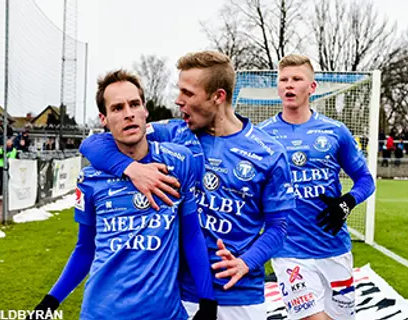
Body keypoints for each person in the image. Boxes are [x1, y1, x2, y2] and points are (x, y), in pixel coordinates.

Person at [78, 51, 294, 320]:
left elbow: (279, 227)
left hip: (241, 296)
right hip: (183, 295)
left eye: (188, 93)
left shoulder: (269, 152)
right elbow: (93, 143)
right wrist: (131, 169)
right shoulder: (174, 132)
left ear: (218, 96)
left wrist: (245, 262)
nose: (179, 101)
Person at [30, 70, 216, 319]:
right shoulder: (90, 179)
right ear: (103, 119)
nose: (128, 113)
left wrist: (208, 302)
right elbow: (85, 248)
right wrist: (50, 302)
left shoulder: (178, 163)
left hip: (167, 314)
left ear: (145, 111)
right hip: (102, 313)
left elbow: (192, 235)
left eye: (134, 104)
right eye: (117, 108)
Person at [258, 54, 375, 320]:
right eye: (284, 79)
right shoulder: (262, 135)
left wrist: (347, 202)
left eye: (297, 79)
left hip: (334, 247)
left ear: (312, 87)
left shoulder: (335, 131)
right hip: (288, 251)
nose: (289, 85)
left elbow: (366, 180)